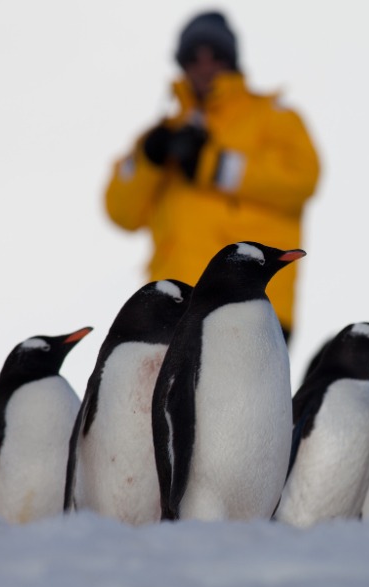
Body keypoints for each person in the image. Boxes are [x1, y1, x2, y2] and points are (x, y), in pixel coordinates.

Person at [105, 10, 321, 341]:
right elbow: (120, 213)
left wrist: (212, 166)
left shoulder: (273, 118)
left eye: (215, 54)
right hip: (174, 305)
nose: (205, 65)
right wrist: (148, 159)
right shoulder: (164, 134)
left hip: (251, 301)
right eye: (194, 56)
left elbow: (302, 179)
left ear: (231, 59)